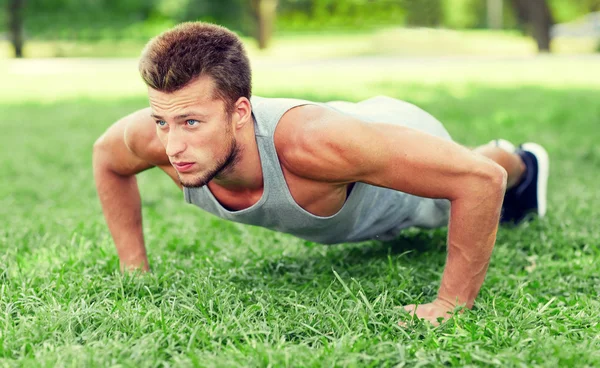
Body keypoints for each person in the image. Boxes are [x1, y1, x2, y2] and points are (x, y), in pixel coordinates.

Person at [92, 22, 549, 325]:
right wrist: (135, 269)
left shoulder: (314, 145)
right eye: (162, 121)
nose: (172, 146)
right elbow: (107, 159)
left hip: (383, 136)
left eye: (192, 122)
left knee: (472, 168)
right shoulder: (157, 136)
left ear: (239, 112)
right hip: (350, 139)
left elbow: (478, 181)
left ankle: (522, 160)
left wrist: (450, 304)